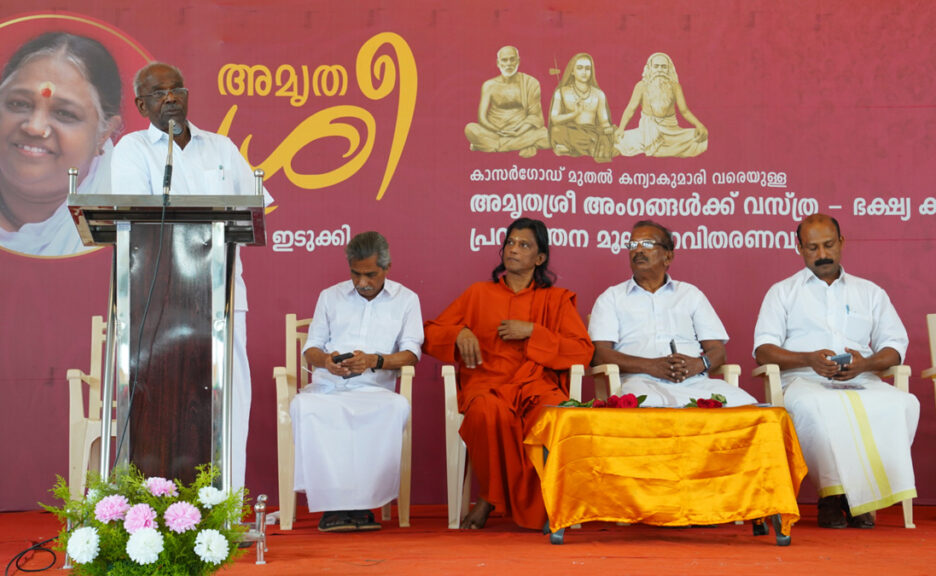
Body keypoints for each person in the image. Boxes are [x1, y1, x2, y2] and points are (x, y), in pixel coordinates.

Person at [110, 62, 274, 494]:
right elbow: (135, 220)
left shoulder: (221, 148)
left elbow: (253, 210)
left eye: (175, 89)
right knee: (159, 403)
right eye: (157, 92)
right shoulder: (131, 149)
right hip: (155, 302)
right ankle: (154, 502)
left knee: (228, 401)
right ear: (141, 104)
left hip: (220, 298)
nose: (169, 97)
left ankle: (227, 503)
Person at [423, 217, 594, 530]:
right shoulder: (477, 293)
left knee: (552, 414)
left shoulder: (554, 300)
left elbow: (582, 350)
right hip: (487, 385)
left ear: (539, 258)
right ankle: (488, 497)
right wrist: (460, 332)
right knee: (487, 413)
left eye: (524, 245)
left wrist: (533, 332)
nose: (513, 249)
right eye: (510, 243)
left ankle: (546, 504)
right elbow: (431, 333)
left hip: (535, 386)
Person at [753, 214, 918, 529]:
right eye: (812, 247)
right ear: (799, 248)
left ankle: (863, 495)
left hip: (863, 379)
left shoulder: (869, 292)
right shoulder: (782, 292)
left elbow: (895, 345)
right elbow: (763, 349)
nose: (822, 254)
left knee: (904, 404)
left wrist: (865, 364)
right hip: (806, 380)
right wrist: (808, 359)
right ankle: (832, 497)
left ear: (842, 243)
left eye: (828, 245)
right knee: (816, 407)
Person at [0, 31, 123, 256]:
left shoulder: (132, 231)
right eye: (19, 103)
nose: (34, 127)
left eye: (65, 113)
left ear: (105, 132)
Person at [291, 231, 423, 532]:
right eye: (356, 274)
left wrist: (374, 360)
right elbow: (311, 347)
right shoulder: (330, 296)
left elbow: (412, 353)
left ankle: (364, 505)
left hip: (375, 391)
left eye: (371, 275)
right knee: (304, 406)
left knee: (394, 408)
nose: (362, 282)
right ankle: (333, 507)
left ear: (387, 269)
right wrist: (326, 361)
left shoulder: (407, 300)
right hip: (329, 388)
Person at [589, 220, 756, 407]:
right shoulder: (611, 298)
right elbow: (599, 354)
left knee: (745, 404)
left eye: (646, 244)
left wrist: (698, 364)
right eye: (633, 245)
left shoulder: (690, 294)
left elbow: (718, 352)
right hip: (641, 383)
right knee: (646, 404)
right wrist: (651, 366)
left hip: (695, 381)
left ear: (668, 257)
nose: (638, 250)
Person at [614, 52, 707, 158]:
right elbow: (631, 109)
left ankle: (662, 149)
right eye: (656, 66)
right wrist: (621, 128)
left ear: (668, 69)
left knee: (699, 139)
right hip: (646, 132)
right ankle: (663, 149)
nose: (659, 70)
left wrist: (699, 125)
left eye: (663, 67)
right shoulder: (641, 86)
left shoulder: (675, 87)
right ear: (650, 68)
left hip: (671, 132)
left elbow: (684, 111)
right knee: (620, 140)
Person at [464, 46, 550, 158]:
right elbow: (482, 118)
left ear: (518, 61)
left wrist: (519, 132)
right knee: (470, 129)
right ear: (498, 62)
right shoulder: (489, 85)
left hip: (522, 131)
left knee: (548, 135)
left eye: (512, 59)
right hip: (495, 132)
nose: (509, 63)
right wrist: (498, 130)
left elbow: (536, 116)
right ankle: (524, 144)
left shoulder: (531, 83)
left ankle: (492, 146)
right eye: (504, 60)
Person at [548, 52, 615, 163]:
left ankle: (571, 149)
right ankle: (588, 149)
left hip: (592, 133)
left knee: (604, 138)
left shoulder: (599, 94)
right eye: (579, 68)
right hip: (571, 132)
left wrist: (607, 130)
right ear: (572, 71)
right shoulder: (561, 92)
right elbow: (554, 119)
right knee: (556, 131)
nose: (584, 72)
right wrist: (574, 114)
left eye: (587, 68)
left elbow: (604, 122)